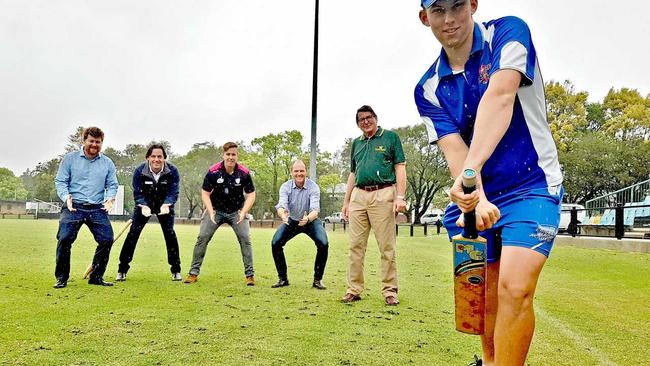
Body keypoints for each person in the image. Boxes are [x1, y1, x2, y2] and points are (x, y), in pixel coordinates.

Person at [415, 1, 563, 365]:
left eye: (456, 6)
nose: (449, 19)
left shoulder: (509, 32)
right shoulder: (428, 88)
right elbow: (454, 149)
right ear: (424, 18)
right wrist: (472, 194)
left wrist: (469, 176)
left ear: (473, 5)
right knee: (486, 296)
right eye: (437, 10)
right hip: (479, 193)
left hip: (532, 184)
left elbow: (500, 98)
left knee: (516, 288)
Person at [341, 105, 407, 306]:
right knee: (355, 246)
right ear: (358, 123)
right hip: (359, 196)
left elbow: (400, 167)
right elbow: (353, 173)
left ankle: (389, 291)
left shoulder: (390, 137)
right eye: (361, 119)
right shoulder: (357, 143)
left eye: (369, 117)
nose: (366, 122)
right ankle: (354, 289)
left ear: (376, 118)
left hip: (383, 193)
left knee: (386, 247)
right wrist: (346, 201)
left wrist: (400, 197)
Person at [53, 126, 119, 288]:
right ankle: (61, 278)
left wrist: (110, 199)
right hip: (73, 206)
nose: (94, 145)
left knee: (107, 239)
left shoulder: (107, 163)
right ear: (84, 141)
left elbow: (112, 184)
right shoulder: (70, 159)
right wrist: (65, 197)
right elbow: (61, 181)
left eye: (98, 142)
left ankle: (96, 276)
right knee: (64, 238)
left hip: (97, 208)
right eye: (91, 141)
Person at [184, 142, 257, 286]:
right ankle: (193, 273)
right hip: (216, 211)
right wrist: (210, 211)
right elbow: (205, 193)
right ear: (223, 155)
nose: (231, 157)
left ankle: (250, 276)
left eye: (233, 154)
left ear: (237, 156)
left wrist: (244, 212)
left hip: (236, 212)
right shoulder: (213, 171)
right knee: (202, 238)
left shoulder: (244, 173)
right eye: (228, 154)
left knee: (245, 239)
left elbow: (251, 194)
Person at [115, 144, 182, 282]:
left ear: (164, 158)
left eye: (160, 157)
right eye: (153, 156)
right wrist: (143, 205)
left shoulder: (173, 171)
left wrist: (167, 204)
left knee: (170, 234)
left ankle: (176, 270)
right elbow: (137, 192)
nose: (156, 159)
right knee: (133, 234)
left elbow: (173, 192)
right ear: (147, 158)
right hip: (144, 205)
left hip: (165, 206)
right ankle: (122, 269)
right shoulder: (139, 171)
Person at [270, 160, 328, 289]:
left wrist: (308, 218)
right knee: (276, 243)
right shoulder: (285, 187)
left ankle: (317, 280)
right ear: (292, 172)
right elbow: (281, 205)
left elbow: (315, 210)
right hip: (291, 221)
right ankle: (283, 279)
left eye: (301, 171)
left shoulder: (313, 187)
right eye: (296, 171)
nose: (299, 173)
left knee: (323, 243)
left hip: (310, 222)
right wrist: (283, 215)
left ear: (306, 172)